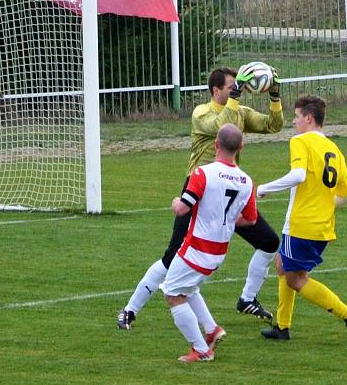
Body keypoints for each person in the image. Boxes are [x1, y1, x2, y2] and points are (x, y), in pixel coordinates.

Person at [118, 65, 284, 330]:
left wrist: (275, 98)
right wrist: (236, 98)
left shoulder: (239, 111)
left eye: (237, 87)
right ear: (216, 90)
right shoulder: (202, 113)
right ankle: (130, 309)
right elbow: (223, 126)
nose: (237, 91)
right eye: (232, 87)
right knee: (173, 255)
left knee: (268, 241)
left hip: (228, 187)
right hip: (199, 189)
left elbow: (273, 126)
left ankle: (247, 298)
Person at [257, 95, 347, 342]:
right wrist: (325, 204)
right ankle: (282, 327)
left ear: (308, 117)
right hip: (320, 225)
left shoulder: (300, 141)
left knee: (296, 279)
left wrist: (264, 188)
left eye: (296, 117)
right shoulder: (334, 150)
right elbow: (346, 195)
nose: (293, 122)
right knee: (282, 265)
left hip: (302, 224)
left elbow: (297, 176)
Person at [162, 123, 258, 362]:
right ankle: (212, 329)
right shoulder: (247, 181)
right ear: (240, 147)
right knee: (189, 287)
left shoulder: (202, 173)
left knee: (172, 293)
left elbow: (183, 208)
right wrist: (225, 223)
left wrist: (175, 202)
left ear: (215, 144)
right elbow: (251, 219)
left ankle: (202, 350)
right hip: (218, 251)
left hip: (196, 248)